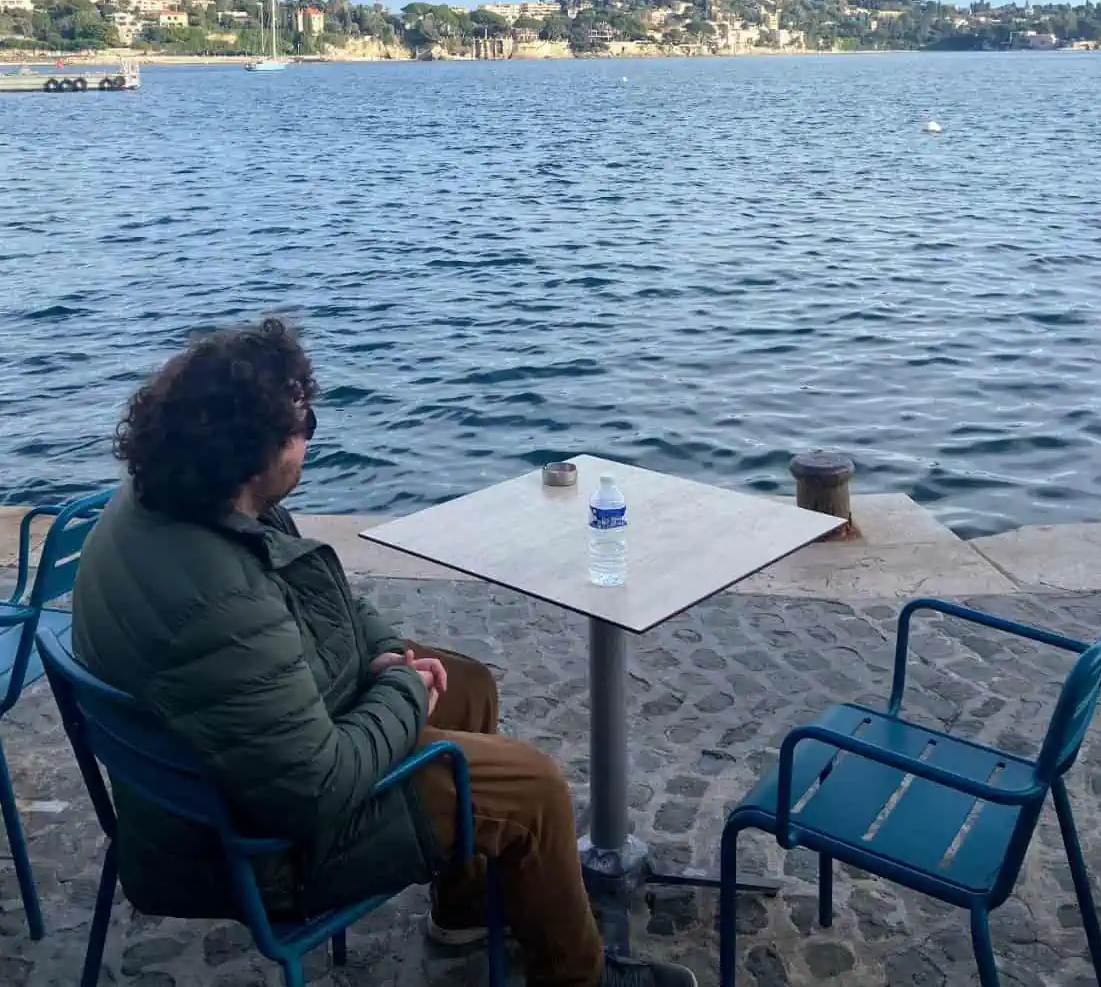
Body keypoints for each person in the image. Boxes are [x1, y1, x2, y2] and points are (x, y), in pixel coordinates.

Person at [72, 318, 694, 987]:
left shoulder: (183, 496)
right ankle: (579, 976)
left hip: (227, 764)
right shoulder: (218, 601)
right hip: (261, 845)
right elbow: (319, 786)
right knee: (535, 789)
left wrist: (384, 654)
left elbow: (320, 598)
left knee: (470, 685)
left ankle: (461, 910)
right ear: (252, 454)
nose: (308, 438)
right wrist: (401, 692)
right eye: (298, 429)